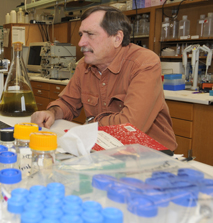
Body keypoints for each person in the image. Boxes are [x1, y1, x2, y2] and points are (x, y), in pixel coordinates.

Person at [31, 6, 177, 151]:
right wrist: (52, 113)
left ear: (117, 39)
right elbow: (67, 103)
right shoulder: (84, 65)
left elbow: (130, 126)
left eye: (90, 34)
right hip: (107, 149)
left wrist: (91, 122)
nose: (81, 43)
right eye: (81, 34)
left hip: (151, 154)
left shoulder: (144, 63)